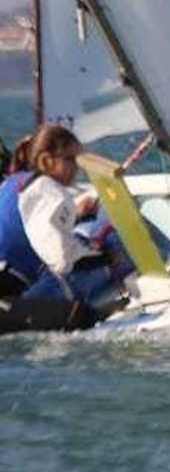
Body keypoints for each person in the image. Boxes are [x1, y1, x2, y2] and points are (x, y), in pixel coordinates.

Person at [0, 125, 119, 332]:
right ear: (46, 161)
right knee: (81, 316)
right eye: (71, 160)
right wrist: (104, 258)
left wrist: (76, 217)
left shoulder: (12, 183)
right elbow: (61, 260)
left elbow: (29, 229)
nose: (77, 167)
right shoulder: (47, 189)